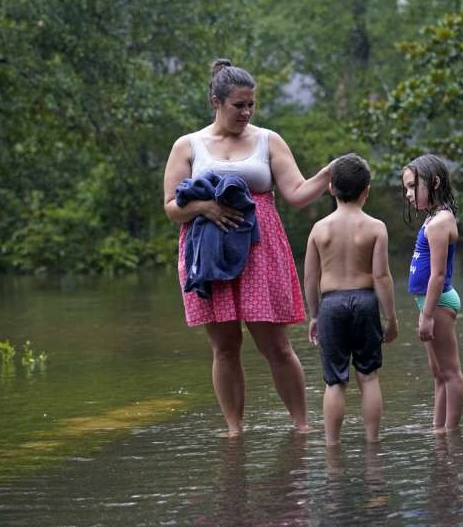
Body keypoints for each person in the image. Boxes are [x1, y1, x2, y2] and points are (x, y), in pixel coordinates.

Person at [163, 58, 334, 437]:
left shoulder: (267, 140)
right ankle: (234, 431)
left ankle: (302, 427)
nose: (246, 112)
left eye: (251, 105)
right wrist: (205, 207)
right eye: (238, 105)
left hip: (260, 247)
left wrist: (326, 175)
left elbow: (296, 193)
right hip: (207, 251)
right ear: (216, 102)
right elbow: (172, 208)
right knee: (225, 346)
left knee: (275, 344)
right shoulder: (188, 145)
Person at [304, 153, 398, 445]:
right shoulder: (375, 227)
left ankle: (332, 446)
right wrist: (391, 317)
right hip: (366, 301)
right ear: (366, 191)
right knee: (368, 377)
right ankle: (372, 442)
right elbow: (381, 277)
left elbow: (310, 279)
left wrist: (315, 315)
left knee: (334, 382)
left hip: (331, 304)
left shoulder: (319, 229)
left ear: (330, 188)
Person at [401, 154, 463, 432]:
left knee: (450, 373)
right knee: (438, 374)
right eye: (406, 188)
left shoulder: (440, 222)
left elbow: (438, 274)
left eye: (413, 186)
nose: (408, 194)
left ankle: (451, 434)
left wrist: (427, 315)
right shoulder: (433, 219)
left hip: (437, 303)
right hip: (428, 303)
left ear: (434, 182)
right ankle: (438, 430)